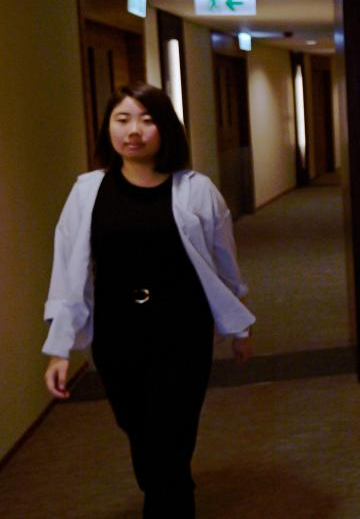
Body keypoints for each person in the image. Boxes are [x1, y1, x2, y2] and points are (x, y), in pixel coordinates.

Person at [41, 82, 255, 518]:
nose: (133, 130)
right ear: (108, 128)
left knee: (172, 434)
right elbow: (67, 271)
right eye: (122, 120)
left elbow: (224, 262)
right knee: (139, 431)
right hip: (118, 333)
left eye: (146, 119)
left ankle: (170, 501)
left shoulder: (196, 189)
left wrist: (239, 327)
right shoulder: (88, 191)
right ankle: (169, 487)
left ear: (166, 129)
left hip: (181, 330)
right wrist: (59, 349)